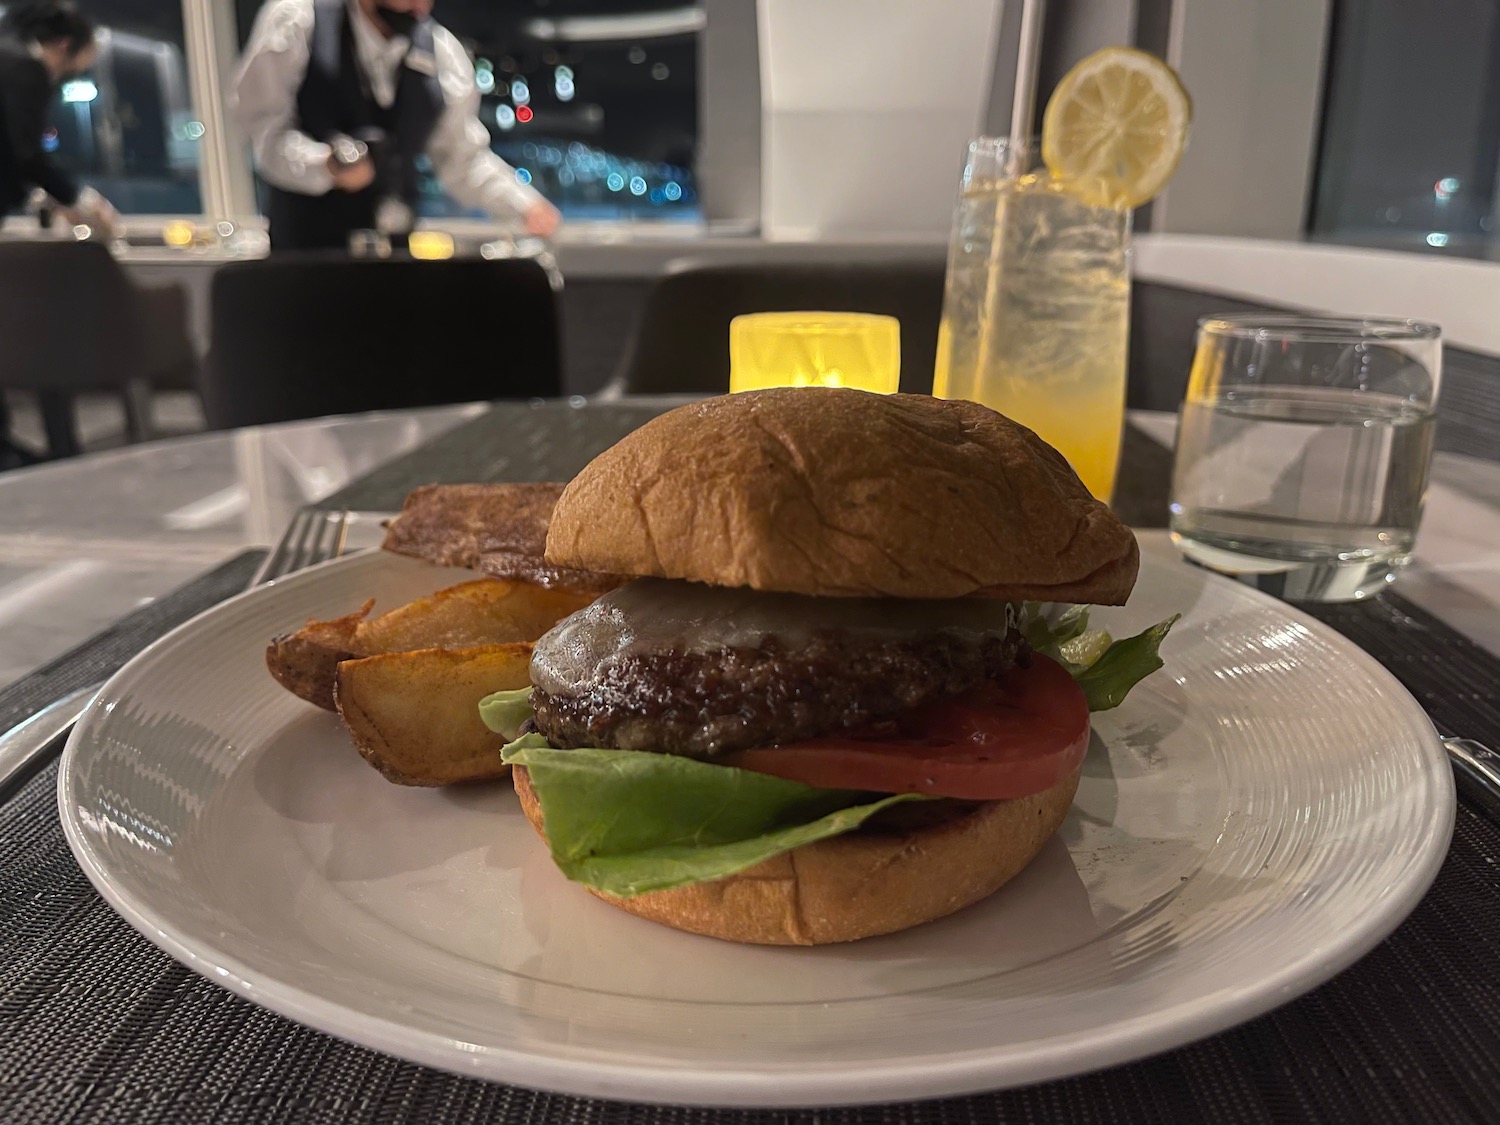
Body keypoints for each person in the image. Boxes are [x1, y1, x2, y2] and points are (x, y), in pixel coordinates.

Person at [233, 0, 561, 252]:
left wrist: (525, 206)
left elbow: (462, 159)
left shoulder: (442, 53)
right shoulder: (298, 22)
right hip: (302, 260)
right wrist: (326, 166)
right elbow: (265, 133)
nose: (421, 5)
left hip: (394, 260)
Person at [0, 2, 120, 237]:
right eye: (70, 72)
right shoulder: (26, 70)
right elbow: (27, 153)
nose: (59, 82)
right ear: (64, 46)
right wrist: (78, 199)